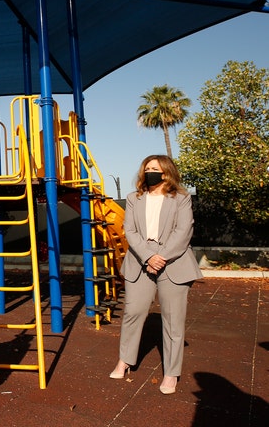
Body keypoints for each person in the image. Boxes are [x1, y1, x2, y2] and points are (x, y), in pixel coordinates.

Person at [110, 155, 202, 395]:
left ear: (166, 173)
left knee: (173, 320)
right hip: (140, 261)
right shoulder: (133, 198)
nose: (150, 172)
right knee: (133, 312)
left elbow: (183, 231)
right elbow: (129, 229)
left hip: (174, 262)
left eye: (155, 169)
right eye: (147, 168)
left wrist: (160, 256)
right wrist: (149, 256)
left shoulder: (180, 199)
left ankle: (171, 372)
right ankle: (125, 360)